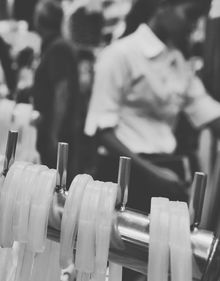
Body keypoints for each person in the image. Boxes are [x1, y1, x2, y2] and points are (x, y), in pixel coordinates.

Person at [85, 1, 219, 279]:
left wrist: (163, 178)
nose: (194, 27)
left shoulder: (178, 61)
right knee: (119, 266)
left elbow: (206, 111)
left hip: (166, 178)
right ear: (163, 6)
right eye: (191, 16)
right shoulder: (120, 55)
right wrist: (153, 173)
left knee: (156, 269)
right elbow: (102, 129)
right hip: (126, 176)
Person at [31, 0, 91, 179]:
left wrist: (53, 134)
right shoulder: (57, 45)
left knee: (56, 182)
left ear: (39, 20)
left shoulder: (58, 48)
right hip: (59, 131)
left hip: (59, 134)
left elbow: (62, 93)